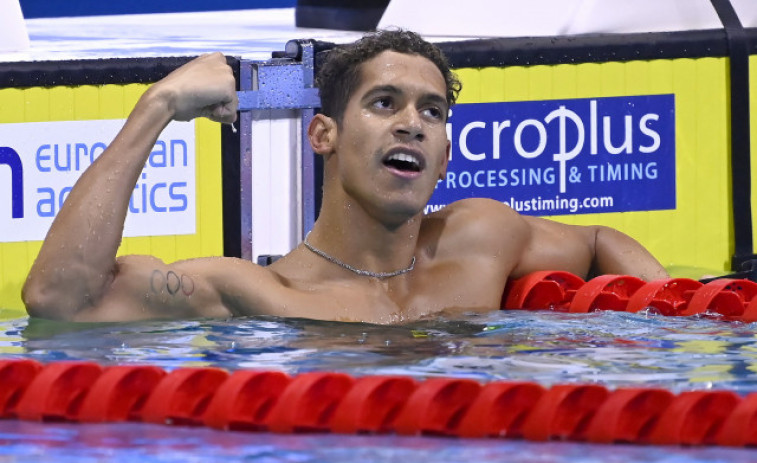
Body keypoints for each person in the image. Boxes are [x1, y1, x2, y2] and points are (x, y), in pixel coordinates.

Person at [22, 30, 668, 324]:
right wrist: (156, 106)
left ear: (443, 155)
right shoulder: (253, 291)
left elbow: (596, 240)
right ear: (322, 135)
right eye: (384, 103)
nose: (411, 124)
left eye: (431, 111)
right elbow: (60, 300)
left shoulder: (479, 239)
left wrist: (668, 312)